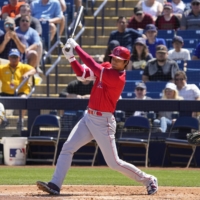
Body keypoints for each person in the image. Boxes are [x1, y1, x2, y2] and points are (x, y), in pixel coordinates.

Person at [36, 39, 158, 196]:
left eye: (119, 60)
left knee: (114, 163)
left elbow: (93, 65)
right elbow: (82, 74)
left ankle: (149, 180)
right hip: (89, 117)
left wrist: (77, 48)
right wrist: (71, 58)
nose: (114, 61)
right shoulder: (107, 67)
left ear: (126, 63)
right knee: (67, 148)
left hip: (103, 122)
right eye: (113, 58)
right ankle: (55, 185)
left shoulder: (118, 77)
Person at [0, 48, 36, 128]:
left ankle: (20, 120)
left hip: (20, 92)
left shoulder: (23, 67)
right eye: (12, 57)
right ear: (8, 58)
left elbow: (33, 70)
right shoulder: (3, 68)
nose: (13, 59)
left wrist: (27, 74)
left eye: (15, 57)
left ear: (19, 58)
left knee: (23, 99)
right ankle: (3, 119)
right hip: (6, 93)